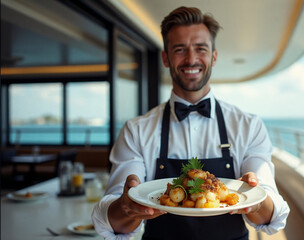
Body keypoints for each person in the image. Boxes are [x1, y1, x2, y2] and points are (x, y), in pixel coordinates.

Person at [92, 6, 289, 240]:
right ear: (165, 58)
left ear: (214, 56)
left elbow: (271, 217)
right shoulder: (136, 130)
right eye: (179, 49)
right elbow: (112, 223)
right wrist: (127, 206)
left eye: (201, 49)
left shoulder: (249, 126)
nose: (191, 59)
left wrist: (256, 202)